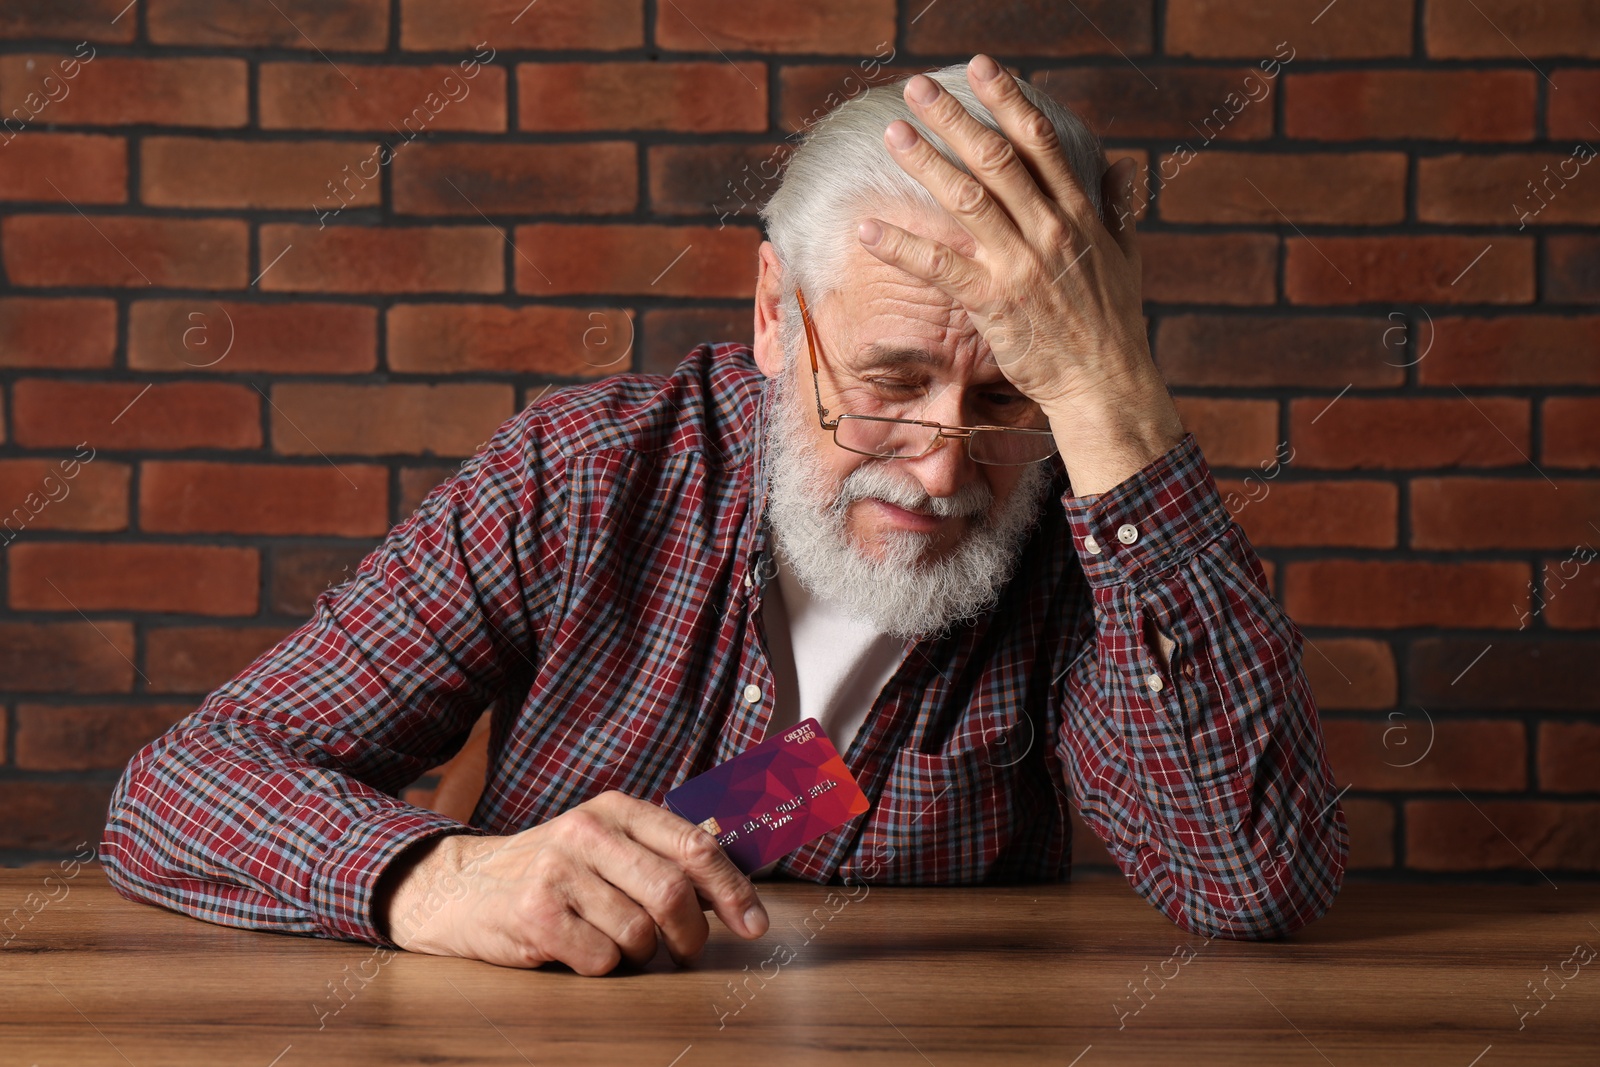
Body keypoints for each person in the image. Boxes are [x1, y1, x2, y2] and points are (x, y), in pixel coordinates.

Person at [101, 55, 1347, 977]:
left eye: (1010, 392)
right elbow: (176, 789)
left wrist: (1105, 400)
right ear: (772, 310)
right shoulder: (586, 474)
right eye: (889, 380)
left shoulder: (1088, 537)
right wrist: (439, 876)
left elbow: (1254, 882)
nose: (937, 467)